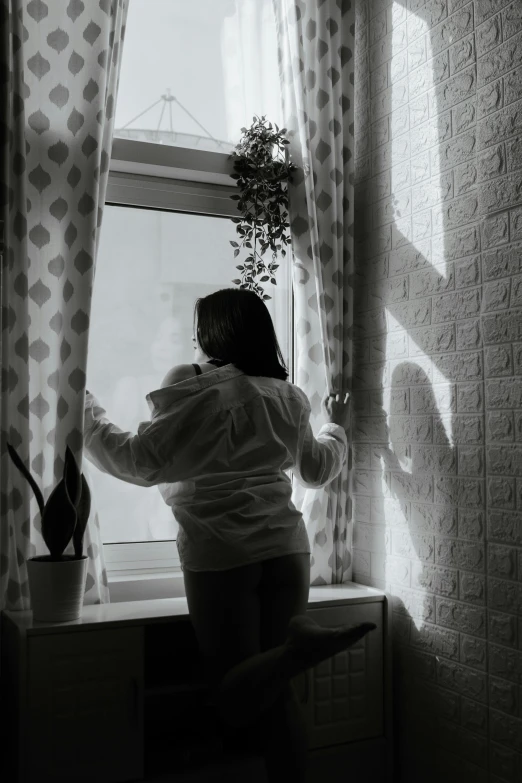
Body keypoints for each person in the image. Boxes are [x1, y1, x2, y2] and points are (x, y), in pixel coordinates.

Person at [83, 288, 376, 782]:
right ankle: (293, 654)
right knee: (276, 693)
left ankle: (293, 651)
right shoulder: (286, 396)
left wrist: (83, 408)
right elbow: (315, 470)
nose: (192, 345)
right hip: (288, 549)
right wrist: (337, 427)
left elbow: (139, 461)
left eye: (197, 334)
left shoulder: (192, 386)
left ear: (213, 338)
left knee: (232, 695)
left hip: (222, 553)